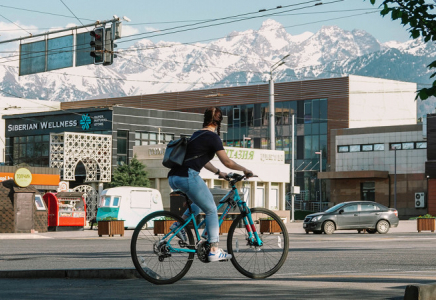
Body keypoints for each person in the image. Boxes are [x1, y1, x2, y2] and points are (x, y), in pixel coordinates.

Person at [168, 107, 253, 262]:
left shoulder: (197, 134)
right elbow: (227, 161)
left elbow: (202, 159)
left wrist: (218, 173)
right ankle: (214, 249)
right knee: (212, 210)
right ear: (219, 121)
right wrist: (245, 169)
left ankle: (177, 226)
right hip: (188, 176)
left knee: (199, 206)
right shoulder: (213, 137)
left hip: (174, 176)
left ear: (205, 118)